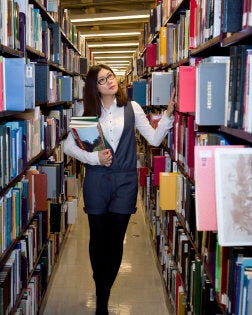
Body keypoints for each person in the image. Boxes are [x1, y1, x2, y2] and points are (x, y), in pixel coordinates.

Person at [63, 64, 175, 315]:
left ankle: (103, 293)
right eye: (102, 80)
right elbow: (68, 147)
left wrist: (167, 114)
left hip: (125, 180)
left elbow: (154, 140)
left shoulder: (132, 108)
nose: (109, 82)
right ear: (95, 88)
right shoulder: (87, 112)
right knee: (97, 238)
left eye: (110, 76)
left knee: (115, 241)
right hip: (97, 180)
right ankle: (101, 288)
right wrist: (94, 159)